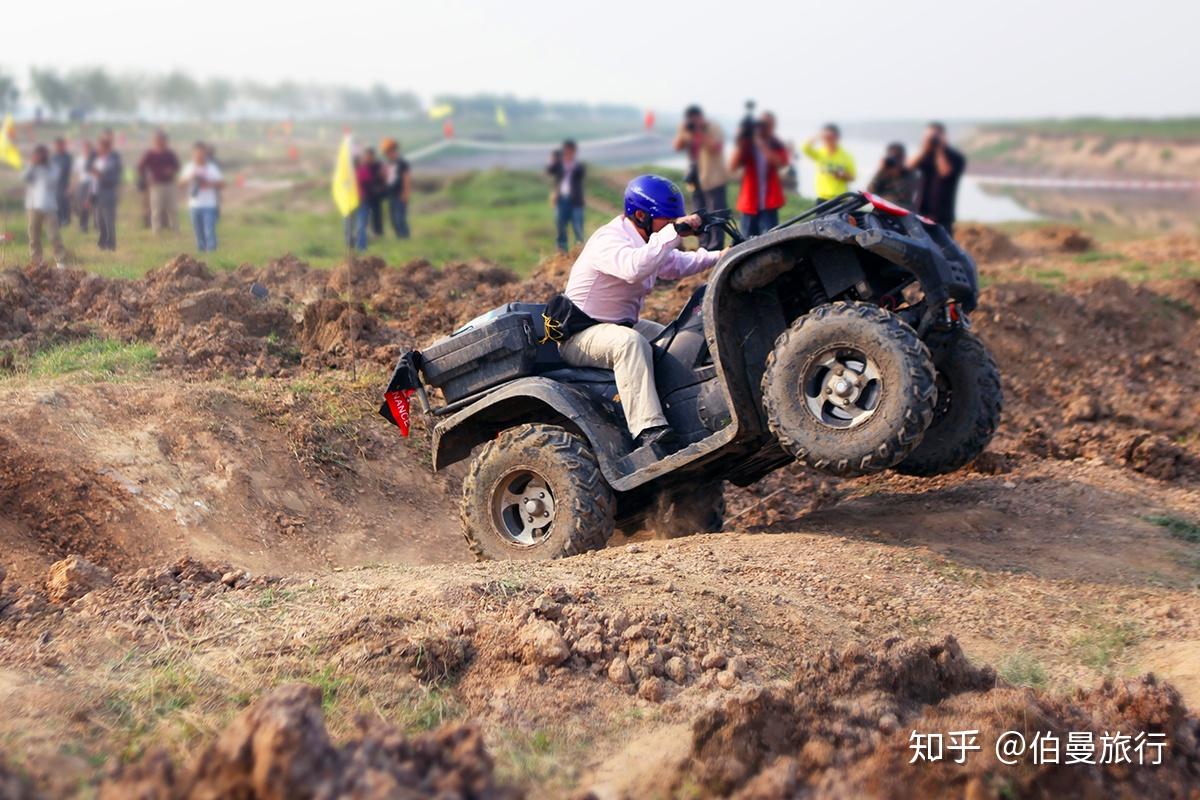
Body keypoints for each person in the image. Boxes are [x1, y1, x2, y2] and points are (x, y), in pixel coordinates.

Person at [558, 175, 724, 452]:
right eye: (667, 220)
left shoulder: (647, 239)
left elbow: (673, 265)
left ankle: (682, 410)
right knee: (629, 344)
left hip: (617, 325)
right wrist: (674, 234)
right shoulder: (609, 239)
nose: (671, 225)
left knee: (672, 341)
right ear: (640, 215)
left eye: (675, 220)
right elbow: (633, 268)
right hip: (580, 334)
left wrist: (720, 256)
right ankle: (648, 428)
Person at [673, 105, 729, 249]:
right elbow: (678, 146)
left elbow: (714, 147)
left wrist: (700, 131)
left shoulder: (713, 128)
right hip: (694, 178)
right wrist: (686, 132)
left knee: (716, 214)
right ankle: (704, 246)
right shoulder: (687, 129)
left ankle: (716, 246)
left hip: (713, 179)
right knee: (698, 215)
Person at [729, 111, 789, 237]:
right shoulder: (748, 144)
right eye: (760, 125)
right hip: (749, 202)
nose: (762, 128)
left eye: (765, 125)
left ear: (772, 126)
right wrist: (742, 139)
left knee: (770, 240)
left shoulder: (775, 144)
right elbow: (733, 165)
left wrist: (761, 144)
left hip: (769, 204)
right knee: (745, 242)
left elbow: (780, 162)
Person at [911, 122, 967, 234]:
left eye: (934, 136)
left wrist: (940, 150)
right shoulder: (925, 155)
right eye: (929, 137)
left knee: (942, 249)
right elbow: (909, 167)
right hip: (921, 212)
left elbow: (945, 173)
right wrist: (924, 149)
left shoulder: (956, 156)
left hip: (943, 216)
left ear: (943, 136)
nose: (932, 140)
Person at [23, 145, 67, 268]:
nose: (39, 157)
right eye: (37, 155)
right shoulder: (32, 167)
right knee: (33, 235)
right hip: (33, 205)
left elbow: (51, 181)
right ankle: (36, 261)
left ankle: (60, 261)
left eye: (41, 155)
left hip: (48, 205)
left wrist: (41, 167)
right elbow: (24, 177)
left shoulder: (53, 168)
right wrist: (33, 165)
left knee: (53, 234)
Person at [178, 141, 223, 252]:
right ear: (193, 154)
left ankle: (212, 252)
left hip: (209, 205)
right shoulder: (189, 167)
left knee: (209, 231)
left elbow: (221, 184)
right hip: (194, 205)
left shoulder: (211, 168)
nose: (199, 156)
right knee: (198, 232)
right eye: (197, 153)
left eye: (202, 153)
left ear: (205, 154)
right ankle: (201, 254)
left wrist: (208, 183)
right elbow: (180, 184)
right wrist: (191, 178)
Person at [138, 129, 181, 233]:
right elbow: (141, 167)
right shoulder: (150, 154)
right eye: (157, 140)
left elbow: (177, 166)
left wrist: (171, 170)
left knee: (172, 208)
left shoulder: (170, 154)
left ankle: (175, 228)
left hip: (169, 184)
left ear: (165, 141)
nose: (159, 142)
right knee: (156, 208)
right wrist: (147, 178)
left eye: (161, 140)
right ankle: (156, 230)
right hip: (156, 185)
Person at [546, 140, 586, 252]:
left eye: (570, 151)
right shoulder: (559, 165)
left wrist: (570, 165)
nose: (568, 153)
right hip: (561, 199)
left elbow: (580, 174)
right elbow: (550, 170)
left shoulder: (578, 165)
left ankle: (580, 251)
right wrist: (553, 160)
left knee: (578, 227)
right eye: (566, 150)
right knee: (560, 226)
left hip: (575, 200)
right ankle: (562, 251)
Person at [801, 124, 856, 202]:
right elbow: (804, 148)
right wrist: (819, 135)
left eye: (830, 137)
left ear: (837, 137)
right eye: (826, 138)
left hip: (840, 198)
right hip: (822, 198)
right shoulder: (820, 153)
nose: (828, 140)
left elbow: (853, 177)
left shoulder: (846, 156)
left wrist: (843, 174)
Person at [90, 130, 122, 251]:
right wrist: (91, 195)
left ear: (107, 148)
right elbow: (93, 180)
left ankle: (111, 244)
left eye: (101, 147)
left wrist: (100, 176)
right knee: (99, 221)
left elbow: (113, 180)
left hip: (108, 195)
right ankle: (102, 242)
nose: (99, 149)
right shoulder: (97, 161)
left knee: (109, 221)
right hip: (97, 195)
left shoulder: (112, 162)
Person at [867, 142, 919, 209]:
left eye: (898, 156)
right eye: (892, 156)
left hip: (901, 214)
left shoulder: (911, 174)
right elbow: (870, 192)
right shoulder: (884, 172)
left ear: (903, 158)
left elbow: (902, 197)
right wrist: (880, 171)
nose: (895, 160)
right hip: (881, 212)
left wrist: (896, 175)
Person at [381, 138, 411, 239]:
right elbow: (387, 179)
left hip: (400, 194)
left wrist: (405, 193)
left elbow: (406, 179)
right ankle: (399, 237)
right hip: (391, 195)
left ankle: (405, 237)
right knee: (393, 219)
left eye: (389, 152)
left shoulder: (402, 163)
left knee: (400, 218)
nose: (388, 155)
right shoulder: (388, 164)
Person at [76, 140, 96, 232]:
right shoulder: (79, 159)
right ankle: (82, 225)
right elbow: (76, 173)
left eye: (88, 148)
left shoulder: (94, 160)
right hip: (82, 184)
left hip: (91, 183)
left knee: (89, 204)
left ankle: (95, 225)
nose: (86, 150)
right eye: (84, 148)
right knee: (81, 205)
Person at [51, 138, 72, 227]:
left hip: (65, 183)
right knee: (56, 203)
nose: (58, 147)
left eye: (60, 145)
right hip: (55, 184)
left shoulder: (67, 157)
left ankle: (66, 219)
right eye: (56, 146)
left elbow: (69, 171)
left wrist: (70, 186)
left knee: (65, 202)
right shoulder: (54, 157)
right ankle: (58, 221)